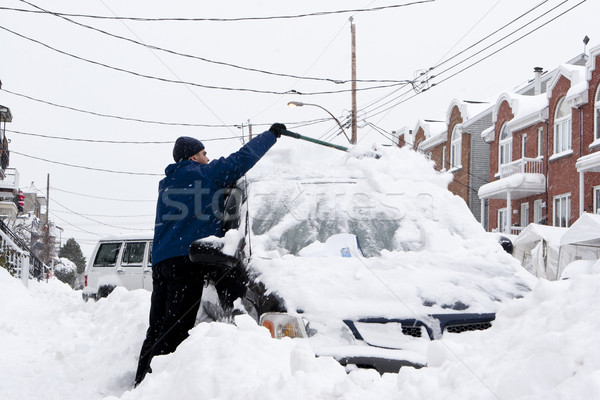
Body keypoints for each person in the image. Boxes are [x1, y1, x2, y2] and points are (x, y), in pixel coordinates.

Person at [134, 123, 286, 386]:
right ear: (193, 157)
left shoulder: (167, 183)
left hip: (161, 263)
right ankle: (155, 387)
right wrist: (271, 135)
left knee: (156, 327)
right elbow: (242, 159)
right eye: (204, 153)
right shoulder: (205, 174)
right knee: (175, 331)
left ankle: (139, 383)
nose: (208, 158)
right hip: (187, 261)